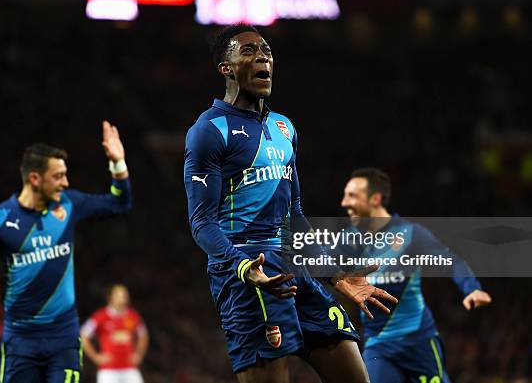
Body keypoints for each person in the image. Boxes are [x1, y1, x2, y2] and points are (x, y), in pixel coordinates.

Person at [183, 24, 397, 383]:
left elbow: (294, 216)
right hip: (250, 276)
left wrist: (334, 274)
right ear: (227, 67)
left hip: (296, 268)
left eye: (266, 50)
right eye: (249, 51)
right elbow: (202, 224)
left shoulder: (284, 128)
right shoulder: (209, 130)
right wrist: (243, 268)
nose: (263, 56)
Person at [0, 121, 132, 383]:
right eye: (58, 176)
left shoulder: (69, 204)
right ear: (35, 178)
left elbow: (120, 203)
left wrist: (118, 164)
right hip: (20, 344)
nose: (66, 182)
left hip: (64, 340)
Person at [340, 167, 492, 383]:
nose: (344, 203)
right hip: (379, 345)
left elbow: (450, 261)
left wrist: (472, 288)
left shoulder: (411, 234)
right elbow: (317, 263)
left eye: (352, 195)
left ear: (375, 198)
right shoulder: (349, 240)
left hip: (418, 342)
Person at [81, 284, 148, 383]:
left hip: (129, 368)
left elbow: (143, 335)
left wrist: (139, 354)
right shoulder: (99, 316)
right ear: (110, 297)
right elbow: (83, 335)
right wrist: (95, 357)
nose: (123, 298)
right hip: (108, 370)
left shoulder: (133, 316)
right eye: (119, 295)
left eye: (125, 295)